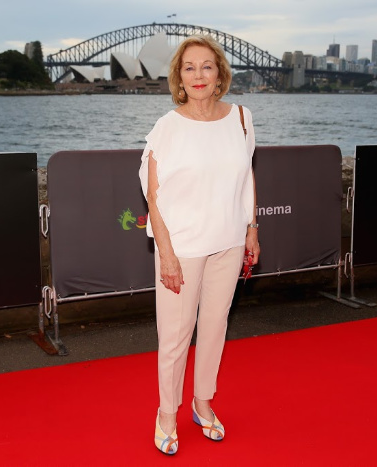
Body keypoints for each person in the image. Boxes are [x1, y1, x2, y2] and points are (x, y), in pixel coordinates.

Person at [138, 35, 260, 455]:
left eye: (206, 66)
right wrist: (166, 253)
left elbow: (247, 177)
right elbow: (153, 197)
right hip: (183, 248)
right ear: (179, 77)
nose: (198, 75)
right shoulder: (167, 128)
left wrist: (251, 229)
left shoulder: (242, 118)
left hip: (227, 242)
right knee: (175, 336)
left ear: (220, 73)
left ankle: (202, 402)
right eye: (189, 67)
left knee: (215, 327)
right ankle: (166, 413)